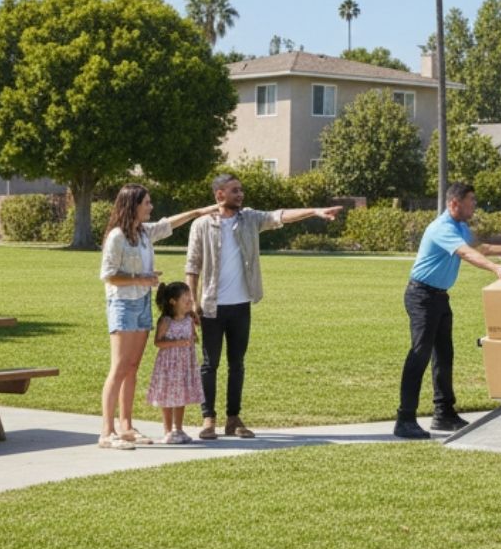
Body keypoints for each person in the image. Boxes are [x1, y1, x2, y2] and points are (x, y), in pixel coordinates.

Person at [185, 172, 342, 440]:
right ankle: (208, 418)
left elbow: (280, 215)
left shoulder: (250, 218)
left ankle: (233, 419)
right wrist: (192, 303)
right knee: (210, 365)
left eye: (241, 190)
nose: (240, 194)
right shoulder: (201, 225)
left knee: (237, 364)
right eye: (235, 190)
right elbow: (192, 265)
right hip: (211, 306)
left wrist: (315, 211)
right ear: (220, 194)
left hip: (241, 304)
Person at [394, 181, 501, 440]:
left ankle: (444, 414)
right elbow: (466, 253)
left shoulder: (460, 226)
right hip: (421, 296)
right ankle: (404, 419)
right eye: (470, 201)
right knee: (419, 355)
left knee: (444, 356)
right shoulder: (442, 228)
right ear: (455, 203)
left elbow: (481, 247)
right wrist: (495, 268)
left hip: (439, 298)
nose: (474, 205)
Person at [98, 184, 218, 450]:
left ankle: (126, 427)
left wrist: (199, 211)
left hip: (142, 303)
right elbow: (108, 275)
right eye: (147, 203)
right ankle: (107, 432)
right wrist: (142, 278)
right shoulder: (117, 236)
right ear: (133, 205)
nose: (151, 207)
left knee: (132, 367)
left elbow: (168, 224)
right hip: (122, 304)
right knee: (119, 367)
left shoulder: (143, 233)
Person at [147, 281, 205, 444]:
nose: (190, 300)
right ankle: (168, 431)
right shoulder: (166, 321)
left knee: (181, 396)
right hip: (169, 365)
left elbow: (193, 335)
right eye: (186, 298)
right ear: (173, 301)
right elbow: (158, 342)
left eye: (190, 297)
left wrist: (195, 331)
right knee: (167, 396)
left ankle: (178, 429)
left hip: (184, 364)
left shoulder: (188, 319)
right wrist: (177, 343)